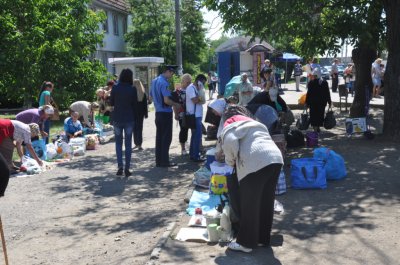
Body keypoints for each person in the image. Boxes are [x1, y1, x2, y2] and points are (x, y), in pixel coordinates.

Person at [215, 107, 283, 253]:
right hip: (275, 159)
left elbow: (230, 143)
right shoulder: (255, 123)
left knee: (249, 203)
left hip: (255, 162)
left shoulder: (230, 125)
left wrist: (230, 161)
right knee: (266, 200)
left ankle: (245, 243)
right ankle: (262, 239)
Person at [150, 65, 181, 167]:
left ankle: (158, 161)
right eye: (171, 74)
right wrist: (176, 104)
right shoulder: (164, 83)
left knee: (159, 137)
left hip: (158, 113)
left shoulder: (154, 81)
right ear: (168, 71)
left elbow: (150, 97)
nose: (171, 76)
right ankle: (165, 161)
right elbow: (166, 100)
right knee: (166, 138)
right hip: (165, 113)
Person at [110, 68, 138, 176]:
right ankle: (127, 168)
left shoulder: (115, 87)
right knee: (128, 144)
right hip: (129, 119)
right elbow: (135, 105)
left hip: (117, 118)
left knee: (118, 143)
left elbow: (111, 102)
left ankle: (120, 166)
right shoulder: (132, 89)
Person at [186, 74, 207, 162]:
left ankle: (193, 155)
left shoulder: (195, 88)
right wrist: (201, 95)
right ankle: (196, 156)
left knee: (195, 136)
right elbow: (195, 100)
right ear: (199, 81)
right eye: (203, 83)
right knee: (197, 136)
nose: (203, 85)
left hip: (197, 115)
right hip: (194, 116)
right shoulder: (191, 88)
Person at [171, 74, 192, 156]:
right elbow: (175, 104)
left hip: (191, 113)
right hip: (182, 114)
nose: (188, 83)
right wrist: (176, 114)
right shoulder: (177, 92)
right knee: (183, 130)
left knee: (193, 129)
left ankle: (192, 147)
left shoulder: (191, 89)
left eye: (190, 82)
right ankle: (183, 148)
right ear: (182, 81)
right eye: (187, 82)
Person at [306, 68, 332, 132]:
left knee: (313, 115)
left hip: (313, 103)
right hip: (322, 103)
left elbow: (308, 93)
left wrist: (307, 102)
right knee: (320, 115)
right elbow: (327, 92)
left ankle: (315, 127)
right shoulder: (324, 82)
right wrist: (329, 101)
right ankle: (317, 127)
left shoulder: (311, 82)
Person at [132, 79, 148, 151]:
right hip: (141, 113)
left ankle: (136, 142)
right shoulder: (143, 93)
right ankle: (140, 144)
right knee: (140, 128)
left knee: (134, 129)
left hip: (133, 113)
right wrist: (146, 114)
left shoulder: (131, 93)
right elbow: (145, 105)